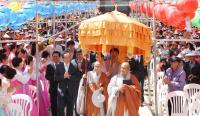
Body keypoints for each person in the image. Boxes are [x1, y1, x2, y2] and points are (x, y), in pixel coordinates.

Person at [68, 48, 92, 116]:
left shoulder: (87, 62)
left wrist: (81, 70)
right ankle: (76, 114)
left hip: (84, 85)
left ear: (82, 54)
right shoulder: (72, 62)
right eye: (77, 54)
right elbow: (70, 74)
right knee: (76, 100)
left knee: (83, 99)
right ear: (75, 55)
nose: (78, 56)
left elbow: (90, 72)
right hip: (75, 85)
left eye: (80, 54)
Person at [45, 51, 62, 116]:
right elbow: (46, 76)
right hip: (53, 88)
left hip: (61, 88)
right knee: (53, 104)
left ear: (59, 57)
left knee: (61, 104)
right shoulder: (49, 66)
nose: (55, 58)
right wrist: (54, 77)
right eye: (54, 56)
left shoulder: (63, 65)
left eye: (56, 56)